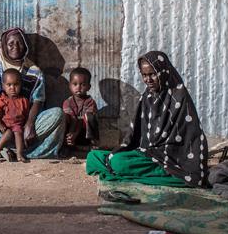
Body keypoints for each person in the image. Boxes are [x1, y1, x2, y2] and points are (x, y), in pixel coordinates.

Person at [86, 51, 208, 187]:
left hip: (171, 159)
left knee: (118, 162)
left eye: (152, 74)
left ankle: (163, 172)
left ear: (163, 72)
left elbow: (188, 140)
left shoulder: (178, 96)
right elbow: (136, 136)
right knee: (93, 157)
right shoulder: (148, 97)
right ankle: (126, 168)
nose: (148, 79)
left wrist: (156, 154)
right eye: (144, 75)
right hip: (147, 153)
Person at [0, 28, 65, 159]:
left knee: (58, 114)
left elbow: (38, 101)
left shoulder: (34, 71)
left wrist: (29, 125)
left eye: (20, 43)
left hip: (24, 125)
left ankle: (15, 149)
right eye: (11, 44)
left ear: (25, 46)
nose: (16, 47)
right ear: (4, 46)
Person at [0, 69, 30, 163]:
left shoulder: (24, 100)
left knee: (18, 132)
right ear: (3, 86)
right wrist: (0, 123)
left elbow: (26, 115)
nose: (12, 88)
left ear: (21, 85)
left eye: (16, 84)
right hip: (6, 125)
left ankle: (19, 154)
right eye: (9, 85)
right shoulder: (1, 99)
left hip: (17, 125)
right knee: (8, 133)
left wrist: (26, 127)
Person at [62, 67, 99, 153]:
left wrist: (75, 134)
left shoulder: (90, 102)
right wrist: (71, 135)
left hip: (84, 135)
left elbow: (82, 120)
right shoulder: (67, 102)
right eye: (75, 84)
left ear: (89, 87)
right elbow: (73, 119)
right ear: (70, 86)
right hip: (70, 133)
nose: (78, 87)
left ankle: (93, 144)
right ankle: (65, 145)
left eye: (83, 85)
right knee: (63, 117)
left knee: (89, 116)